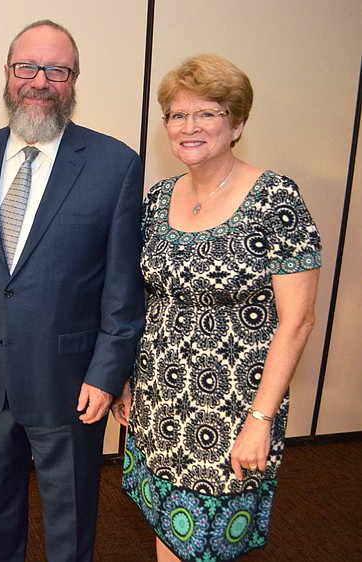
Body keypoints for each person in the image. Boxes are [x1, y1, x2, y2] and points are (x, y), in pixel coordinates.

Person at [112, 54, 321, 561]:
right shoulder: (159, 198)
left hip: (232, 407)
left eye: (207, 113)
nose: (189, 127)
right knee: (167, 526)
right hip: (159, 400)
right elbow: (144, 295)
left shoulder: (275, 197)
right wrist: (125, 378)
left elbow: (298, 321)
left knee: (206, 544)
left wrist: (261, 419)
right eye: (177, 115)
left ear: (237, 123)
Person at [0, 20, 145, 561]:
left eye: (56, 70)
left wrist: (107, 374)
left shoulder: (115, 166)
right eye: (27, 67)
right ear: (9, 75)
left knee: (70, 523)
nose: (40, 81)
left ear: (74, 79)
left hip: (70, 386)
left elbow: (122, 288)